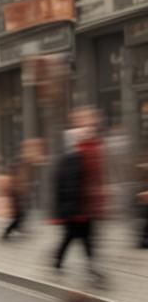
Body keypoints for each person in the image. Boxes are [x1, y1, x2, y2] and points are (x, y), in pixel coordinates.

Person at [51, 108, 106, 283]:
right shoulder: (75, 148)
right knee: (81, 237)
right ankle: (91, 268)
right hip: (78, 206)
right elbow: (68, 181)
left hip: (83, 205)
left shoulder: (92, 146)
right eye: (87, 121)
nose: (91, 125)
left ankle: (59, 262)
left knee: (76, 237)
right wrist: (74, 208)